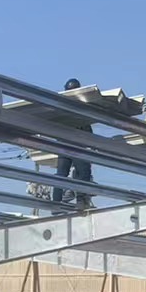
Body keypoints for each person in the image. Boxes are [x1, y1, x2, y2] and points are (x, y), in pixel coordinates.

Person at [53, 77, 94, 207]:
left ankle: (56, 202)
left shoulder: (60, 105)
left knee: (61, 174)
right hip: (76, 144)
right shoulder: (79, 106)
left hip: (64, 144)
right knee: (83, 172)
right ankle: (81, 200)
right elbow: (86, 126)